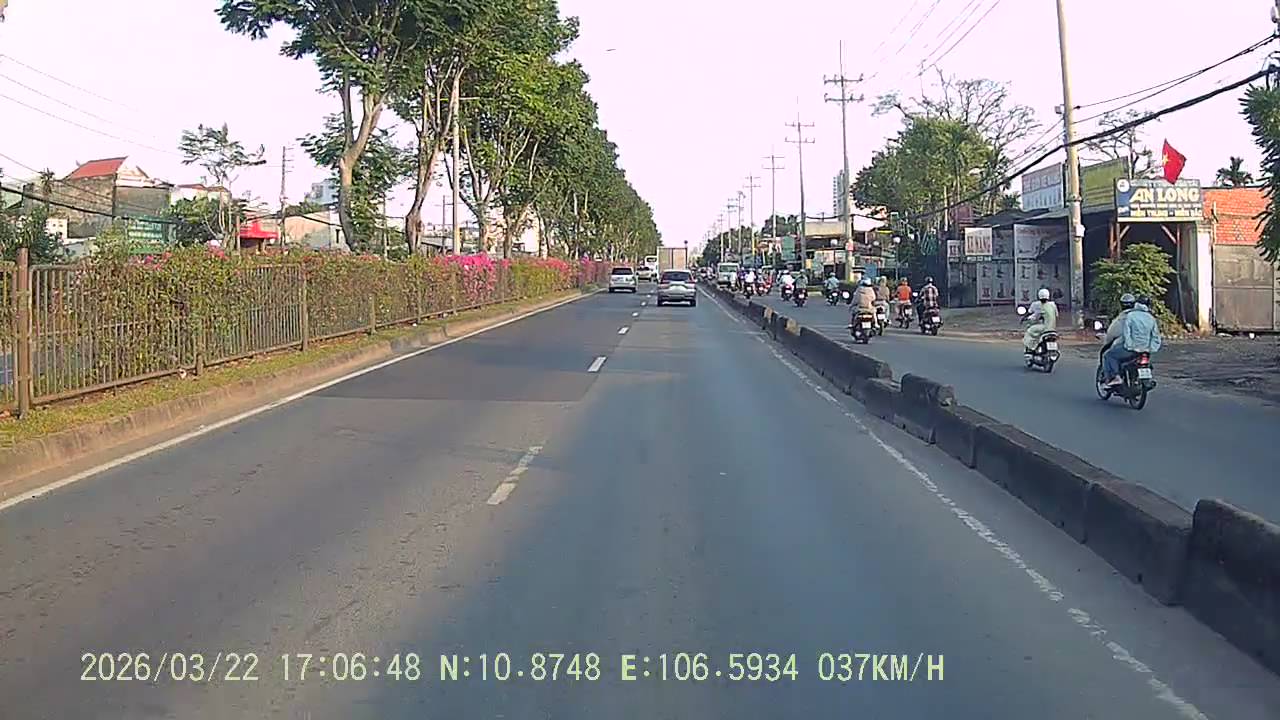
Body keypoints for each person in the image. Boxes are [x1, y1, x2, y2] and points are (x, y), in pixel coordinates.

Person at [1101, 296, 1163, 387]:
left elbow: (1127, 333)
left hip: (1132, 349)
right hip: (1146, 350)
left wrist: (1130, 346)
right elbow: (1156, 336)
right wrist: (1152, 348)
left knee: (1109, 355)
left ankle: (1116, 377)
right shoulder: (1151, 318)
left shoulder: (1130, 316)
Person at [1022, 288, 1059, 353]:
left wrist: (1027, 318)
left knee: (1030, 330)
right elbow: (1056, 315)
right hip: (1053, 328)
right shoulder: (1053, 305)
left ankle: (1032, 347)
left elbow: (1036, 316)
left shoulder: (1039, 305)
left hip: (1045, 327)